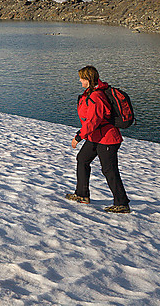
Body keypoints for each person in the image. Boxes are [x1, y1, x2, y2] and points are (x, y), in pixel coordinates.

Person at [65, 65, 131, 213]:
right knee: (82, 159)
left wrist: (78, 136)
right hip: (96, 137)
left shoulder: (96, 96)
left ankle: (122, 203)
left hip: (107, 139)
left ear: (88, 79)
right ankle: (82, 195)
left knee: (109, 170)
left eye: (82, 78)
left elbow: (94, 120)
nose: (80, 81)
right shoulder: (91, 93)